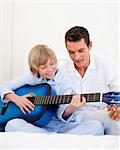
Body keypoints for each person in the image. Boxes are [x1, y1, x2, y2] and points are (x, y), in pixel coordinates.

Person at [0, 44, 104, 135]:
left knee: (96, 127)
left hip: (61, 126)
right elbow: (3, 86)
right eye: (43, 67)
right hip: (38, 126)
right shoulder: (32, 77)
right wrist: (17, 99)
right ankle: (56, 141)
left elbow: (62, 113)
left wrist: (72, 108)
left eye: (52, 64)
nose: (49, 70)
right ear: (35, 68)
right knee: (11, 125)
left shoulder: (65, 79)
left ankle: (48, 140)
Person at [60, 26, 120, 135]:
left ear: (90, 46)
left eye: (81, 50)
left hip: (105, 112)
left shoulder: (106, 63)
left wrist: (118, 107)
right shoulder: (62, 73)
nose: (77, 57)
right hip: (78, 120)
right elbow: (61, 115)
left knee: (115, 118)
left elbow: (118, 90)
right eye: (71, 52)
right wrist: (71, 108)